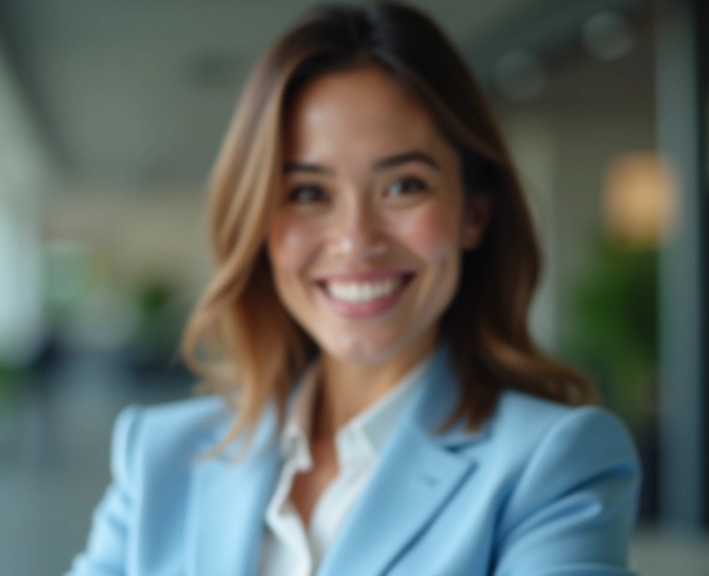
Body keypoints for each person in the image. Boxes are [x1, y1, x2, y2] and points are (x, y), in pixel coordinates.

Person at [67, 2, 641, 575]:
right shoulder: (159, 458)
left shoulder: (553, 463)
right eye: (309, 194)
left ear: (475, 214)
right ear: (259, 223)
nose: (356, 240)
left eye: (404, 186)